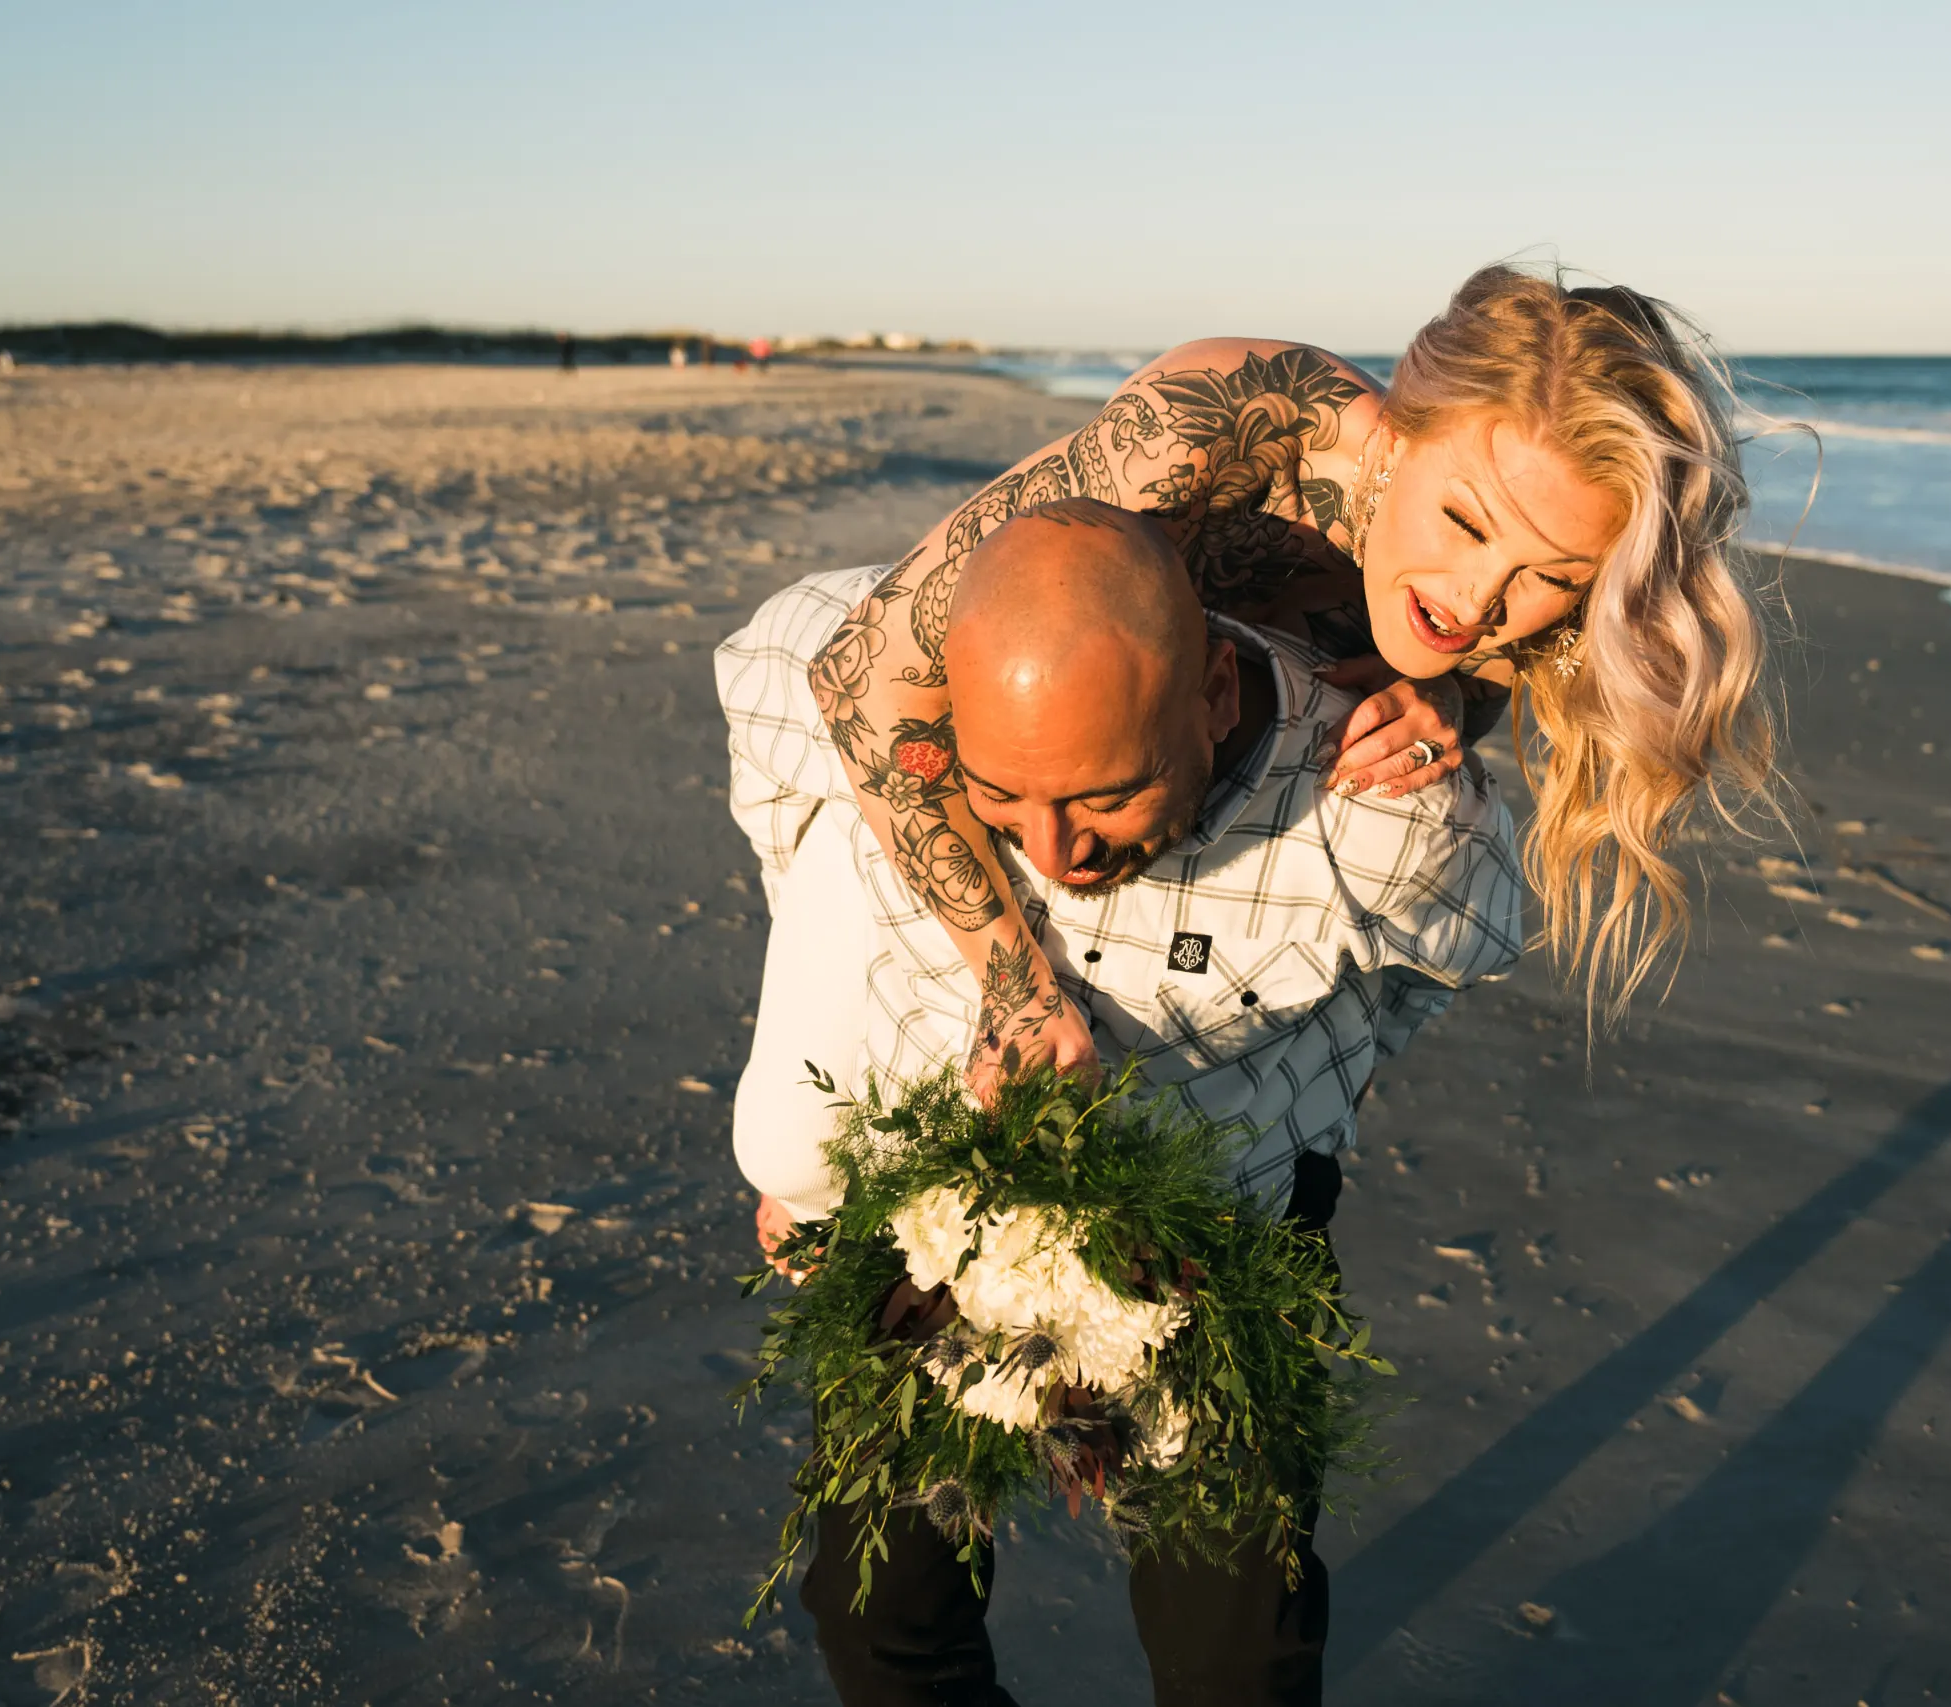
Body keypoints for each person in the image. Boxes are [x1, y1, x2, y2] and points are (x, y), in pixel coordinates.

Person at [717, 498, 1523, 1705]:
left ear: (1206, 694)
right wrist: (825, 1074)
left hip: (1221, 1245)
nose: (1053, 850)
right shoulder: (836, 654)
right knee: (879, 1613)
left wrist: (1315, 1090)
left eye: (1106, 797)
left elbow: (1457, 956)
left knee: (1235, 1656)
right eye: (1003, 796)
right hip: (941, 1214)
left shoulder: (1379, 821)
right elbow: (787, 800)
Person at [807, 264, 1777, 1099]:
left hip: (1178, 788)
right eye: (1465, 523)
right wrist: (1014, 986)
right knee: (814, 1127)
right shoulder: (1223, 424)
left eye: (1551, 578)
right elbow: (864, 680)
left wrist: (1452, 696)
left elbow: (1504, 661)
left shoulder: (1539, 577)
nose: (1478, 597)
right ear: (1396, 437)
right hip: (960, 750)